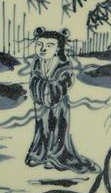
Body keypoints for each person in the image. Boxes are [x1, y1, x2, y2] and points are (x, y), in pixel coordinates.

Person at [25, 27, 98, 172]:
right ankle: (38, 154)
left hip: (58, 102)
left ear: (58, 48)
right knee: (41, 127)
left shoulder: (64, 63)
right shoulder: (37, 61)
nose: (43, 49)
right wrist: (40, 88)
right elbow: (34, 78)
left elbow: (66, 81)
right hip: (40, 102)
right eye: (39, 44)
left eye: (49, 45)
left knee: (58, 128)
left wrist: (51, 89)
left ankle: (55, 156)